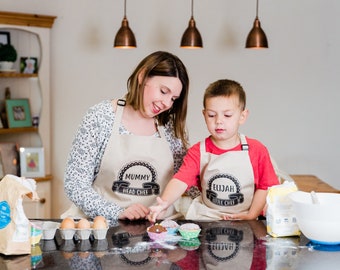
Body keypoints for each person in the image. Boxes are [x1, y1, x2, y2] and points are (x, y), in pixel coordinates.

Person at [63, 51, 190, 221]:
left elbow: (186, 179)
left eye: (173, 99)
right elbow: (75, 184)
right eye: (163, 91)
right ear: (142, 76)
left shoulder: (171, 127)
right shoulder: (101, 117)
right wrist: (117, 212)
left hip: (159, 231)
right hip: (104, 228)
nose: (167, 103)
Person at [148, 79, 280, 221]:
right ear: (204, 115)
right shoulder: (198, 151)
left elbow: (265, 186)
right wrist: (165, 202)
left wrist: (251, 215)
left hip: (245, 219)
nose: (219, 121)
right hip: (207, 218)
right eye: (212, 115)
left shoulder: (256, 150)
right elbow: (180, 180)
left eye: (227, 115)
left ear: (242, 116)